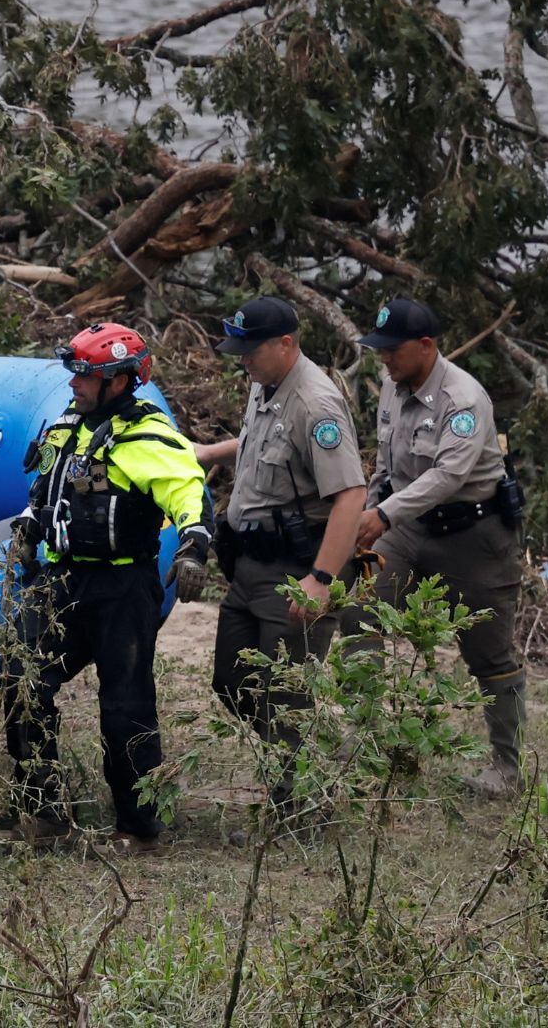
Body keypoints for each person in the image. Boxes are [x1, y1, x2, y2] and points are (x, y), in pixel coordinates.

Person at [2, 322, 210, 854]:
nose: (73, 383)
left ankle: (138, 828)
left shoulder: (150, 436)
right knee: (22, 679)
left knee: (125, 705)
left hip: (123, 585)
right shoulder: (67, 425)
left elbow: (188, 489)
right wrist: (28, 526)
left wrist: (193, 544)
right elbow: (43, 486)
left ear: (118, 381)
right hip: (62, 579)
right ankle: (42, 811)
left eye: (85, 375)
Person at [192, 296, 366, 811]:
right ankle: (315, 756)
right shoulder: (265, 382)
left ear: (285, 344)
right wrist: (209, 453)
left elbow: (351, 496)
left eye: (250, 349)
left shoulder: (317, 405)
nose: (241, 359)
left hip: (297, 569)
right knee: (231, 680)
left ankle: (299, 806)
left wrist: (321, 579)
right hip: (251, 565)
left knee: (285, 694)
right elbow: (257, 442)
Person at [355, 298, 527, 796]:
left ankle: (507, 769)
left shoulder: (464, 401)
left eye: (392, 350)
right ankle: (364, 740)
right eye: (379, 350)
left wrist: (383, 514)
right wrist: (368, 512)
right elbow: (388, 466)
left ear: (426, 346)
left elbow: (448, 476)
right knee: (360, 610)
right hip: (409, 527)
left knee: (489, 652)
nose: (383, 359)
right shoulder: (392, 387)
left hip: (474, 534)